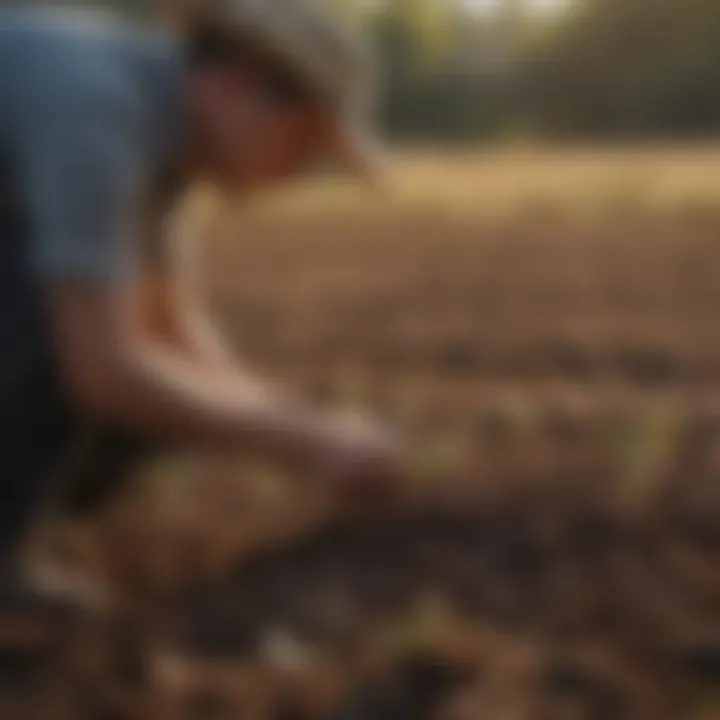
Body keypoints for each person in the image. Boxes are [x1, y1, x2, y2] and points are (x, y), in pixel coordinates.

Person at [0, 0, 404, 609]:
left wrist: (312, 428)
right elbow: (102, 370)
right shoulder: (97, 110)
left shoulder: (159, 148)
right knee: (62, 320)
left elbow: (176, 336)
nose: (300, 173)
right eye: (307, 144)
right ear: (239, 82)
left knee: (151, 372)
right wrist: (309, 445)